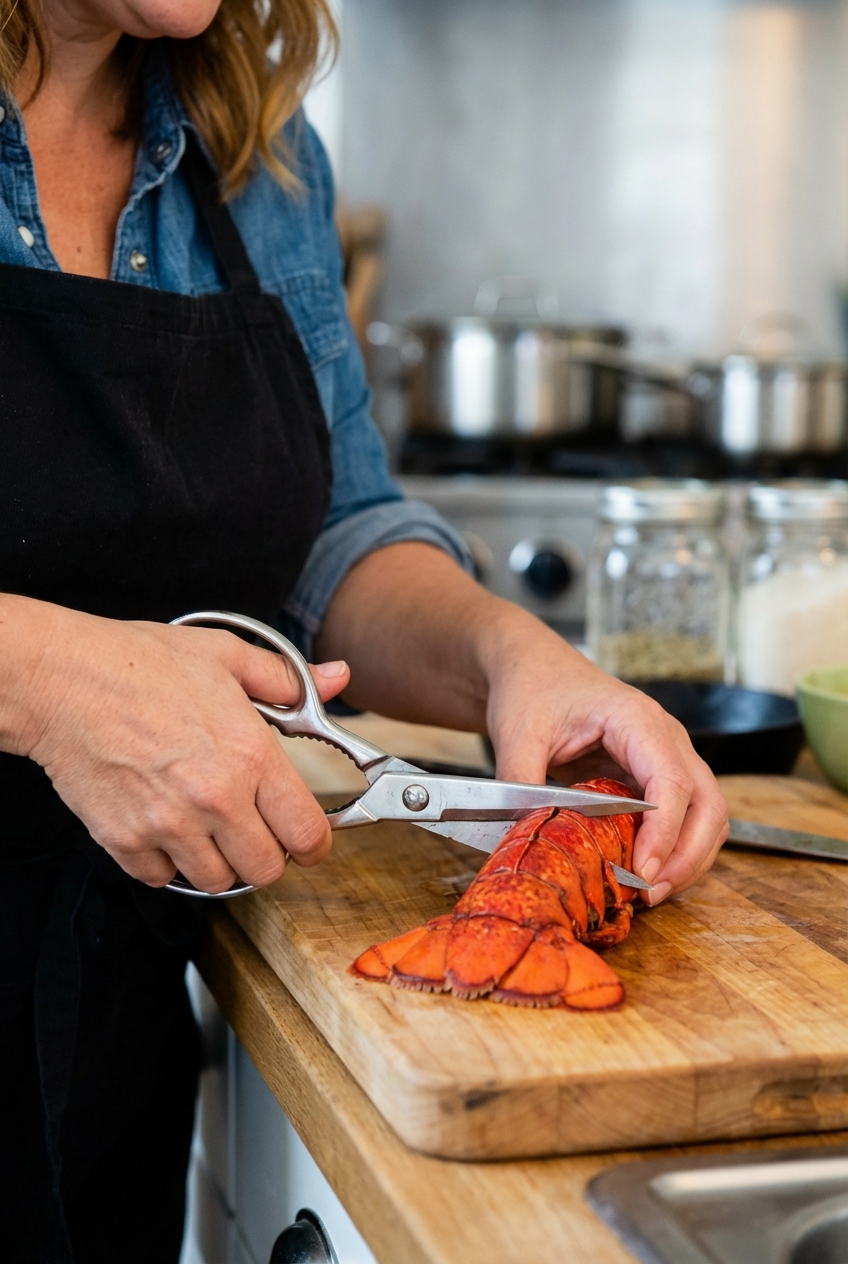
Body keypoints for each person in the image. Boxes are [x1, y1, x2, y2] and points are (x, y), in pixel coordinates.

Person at [0, 0, 729, 1258]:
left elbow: (335, 531)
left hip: (107, 1017)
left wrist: (513, 659)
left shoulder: (262, 158)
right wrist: (52, 678)